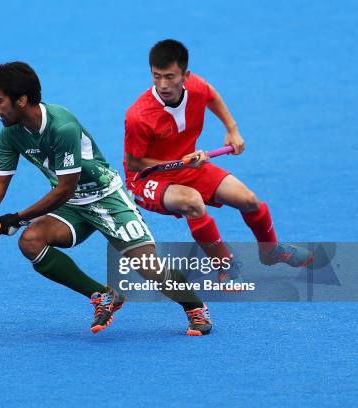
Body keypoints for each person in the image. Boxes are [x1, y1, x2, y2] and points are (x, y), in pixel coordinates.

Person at [0, 61, 213, 336]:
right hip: (70, 206)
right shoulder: (10, 134)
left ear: (22, 100)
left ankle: (194, 307)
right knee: (31, 241)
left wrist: (19, 217)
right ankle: (102, 295)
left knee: (147, 266)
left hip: (105, 197)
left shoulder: (62, 127)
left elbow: (64, 187)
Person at [124, 39, 312, 284]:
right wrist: (180, 164)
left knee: (249, 201)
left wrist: (232, 129)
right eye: (156, 77)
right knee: (191, 202)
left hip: (188, 165)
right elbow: (135, 163)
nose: (163, 85)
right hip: (146, 179)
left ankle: (270, 250)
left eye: (170, 77)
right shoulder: (139, 116)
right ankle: (225, 265)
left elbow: (210, 94)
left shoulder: (196, 87)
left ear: (185, 76)